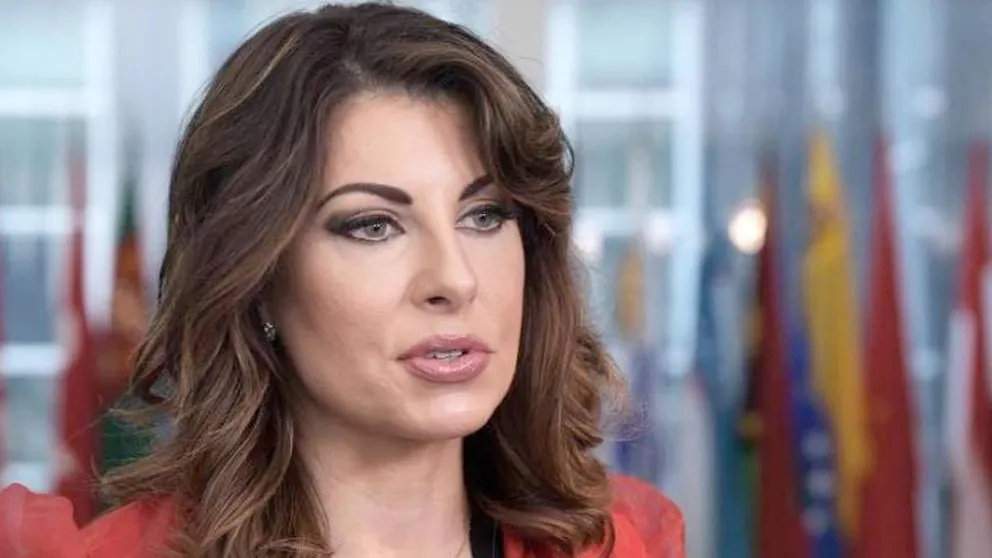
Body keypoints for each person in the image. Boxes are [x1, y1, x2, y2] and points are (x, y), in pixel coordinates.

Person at [0, 3, 683, 557]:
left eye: (484, 215)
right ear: (257, 278)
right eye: (373, 226)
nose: (454, 279)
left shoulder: (622, 545)